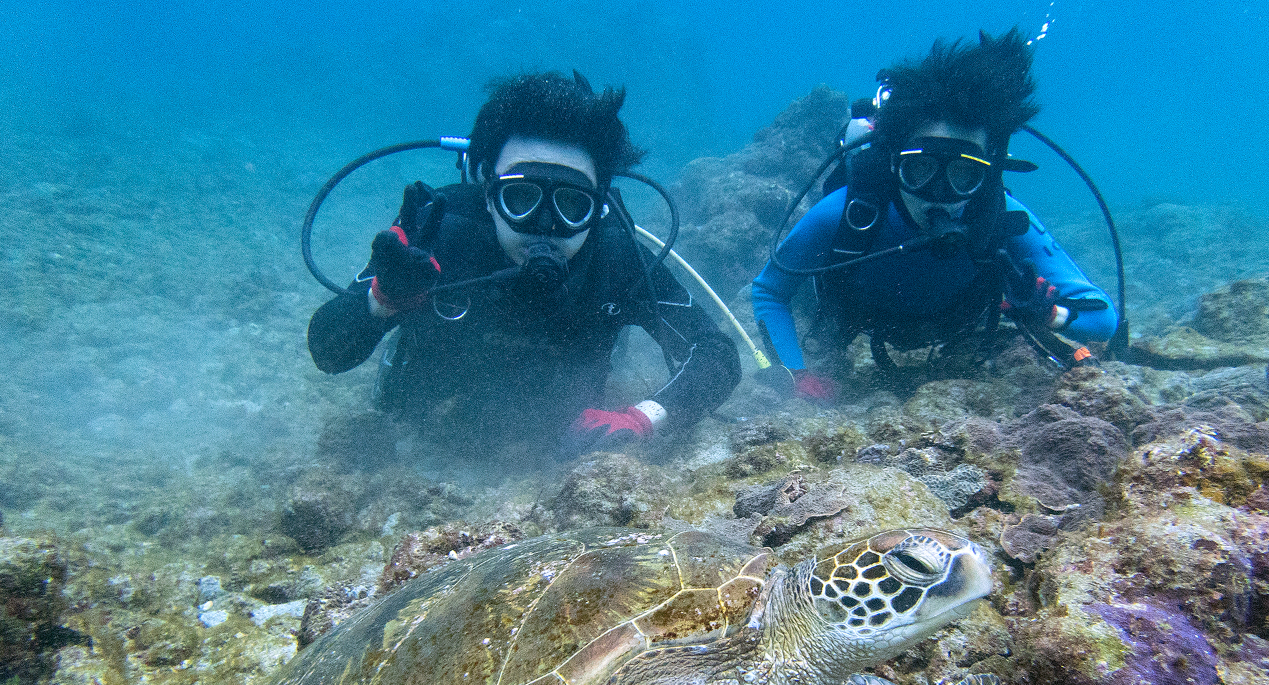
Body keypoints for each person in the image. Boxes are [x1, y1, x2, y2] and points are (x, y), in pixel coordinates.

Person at [308, 71, 740, 459]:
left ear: (600, 203)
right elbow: (327, 352)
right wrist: (383, 299)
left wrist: (642, 419)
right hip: (421, 441)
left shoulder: (617, 256)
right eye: (521, 198)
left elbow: (715, 354)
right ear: (488, 192)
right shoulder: (437, 233)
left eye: (572, 204)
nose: (547, 228)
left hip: (557, 449)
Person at [751, 29, 1118, 400]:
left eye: (963, 175)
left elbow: (1103, 318)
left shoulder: (1001, 220)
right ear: (895, 163)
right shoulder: (846, 212)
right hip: (853, 319)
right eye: (920, 170)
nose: (939, 197)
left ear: (988, 172)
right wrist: (796, 375)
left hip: (957, 333)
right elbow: (770, 289)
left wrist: (1050, 314)